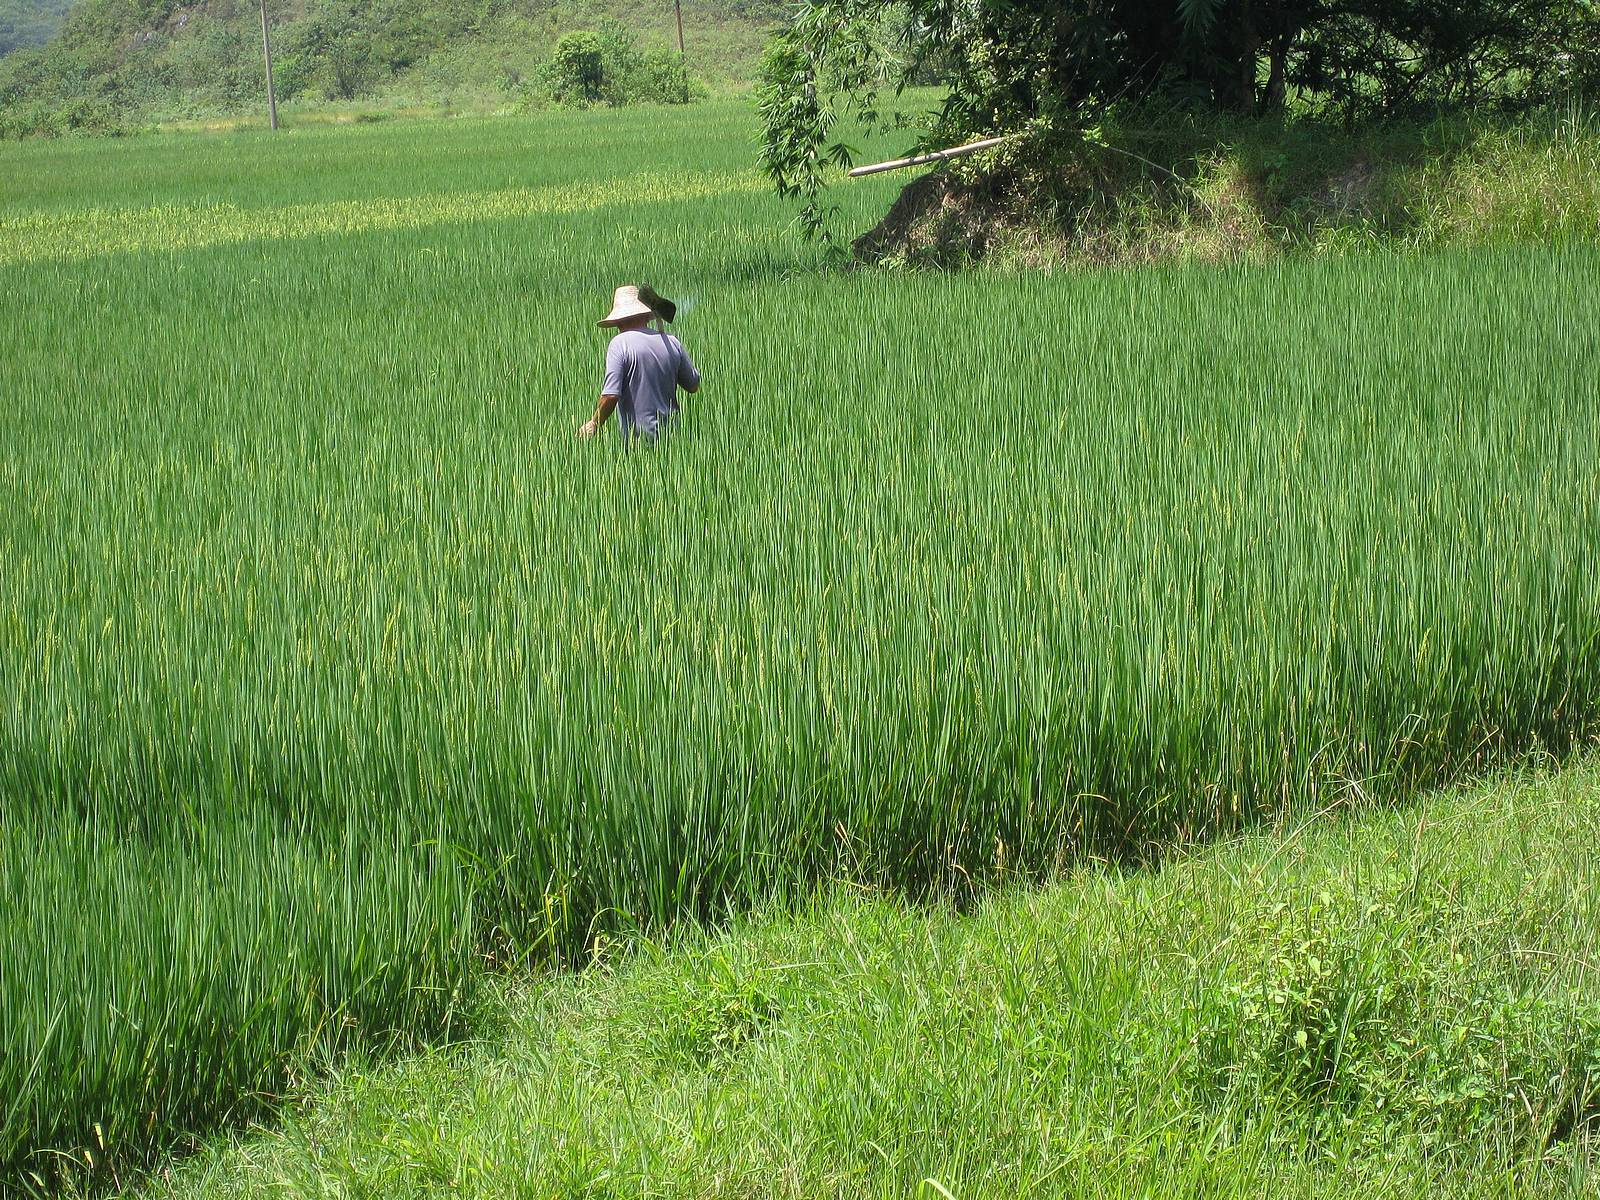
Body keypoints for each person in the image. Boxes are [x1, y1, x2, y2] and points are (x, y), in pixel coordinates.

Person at [578, 285, 700, 441]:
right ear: (645, 315)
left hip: (637, 441)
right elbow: (693, 386)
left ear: (619, 319)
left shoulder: (619, 344)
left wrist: (594, 423)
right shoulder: (671, 342)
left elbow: (611, 395)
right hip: (673, 439)